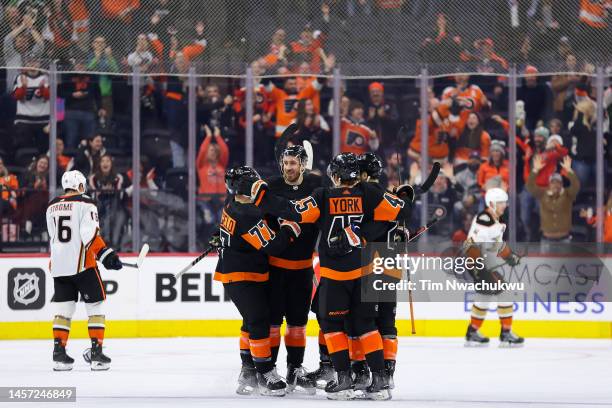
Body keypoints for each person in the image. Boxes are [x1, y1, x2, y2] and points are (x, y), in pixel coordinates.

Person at [252, 150, 416, 400]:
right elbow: (400, 213)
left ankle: (344, 379)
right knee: (365, 325)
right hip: (363, 273)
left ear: (336, 176)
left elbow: (292, 211)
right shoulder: (369, 193)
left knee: (330, 324)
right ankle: (381, 381)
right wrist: (400, 200)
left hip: (335, 276)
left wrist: (262, 196)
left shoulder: (323, 195)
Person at [215, 166, 302, 397]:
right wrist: (290, 229)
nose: (258, 186)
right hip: (243, 275)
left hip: (238, 272)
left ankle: (248, 370)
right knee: (259, 320)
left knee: (250, 321)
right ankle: (264, 373)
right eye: (253, 183)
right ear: (244, 187)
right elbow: (273, 246)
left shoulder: (232, 203)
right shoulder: (247, 215)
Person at [46, 170, 123, 371]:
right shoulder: (86, 203)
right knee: (95, 307)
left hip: (59, 266)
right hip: (83, 266)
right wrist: (107, 255)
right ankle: (97, 354)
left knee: (63, 311)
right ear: (80, 186)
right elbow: (89, 234)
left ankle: (59, 355)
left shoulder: (51, 206)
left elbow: (54, 238)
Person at [265, 145, 322, 394]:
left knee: (298, 324)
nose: (289, 167)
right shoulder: (271, 186)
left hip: (302, 269)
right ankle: (270, 369)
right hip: (274, 269)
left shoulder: (316, 188)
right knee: (273, 324)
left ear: (303, 164)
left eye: (293, 163)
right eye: (286, 163)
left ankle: (295, 368)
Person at [463, 187, 524, 347]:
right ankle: (506, 333)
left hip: (481, 263)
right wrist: (481, 268)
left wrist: (510, 256)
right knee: (505, 293)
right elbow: (473, 245)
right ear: (491, 204)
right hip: (477, 263)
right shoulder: (485, 218)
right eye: (500, 203)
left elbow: (496, 245)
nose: (504, 205)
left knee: (484, 296)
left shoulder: (495, 220)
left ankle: (472, 332)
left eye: (505, 202)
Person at [527, 155, 580, 245]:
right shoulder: (543, 193)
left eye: (558, 182)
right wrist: (535, 170)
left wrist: (569, 171)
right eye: (553, 182)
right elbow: (530, 186)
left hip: (564, 240)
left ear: (562, 184)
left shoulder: (568, 194)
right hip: (547, 240)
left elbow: (576, 186)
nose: (555, 185)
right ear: (549, 184)